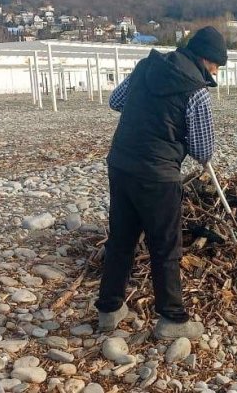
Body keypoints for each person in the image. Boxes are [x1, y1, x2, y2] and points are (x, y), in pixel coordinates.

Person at [95, 26, 227, 339]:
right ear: (206, 59)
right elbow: (202, 150)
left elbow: (116, 101)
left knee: (121, 239)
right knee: (166, 247)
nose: (217, 71)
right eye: (217, 65)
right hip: (158, 175)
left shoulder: (146, 67)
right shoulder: (196, 91)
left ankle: (109, 310)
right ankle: (172, 320)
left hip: (121, 164)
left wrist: (148, 110)